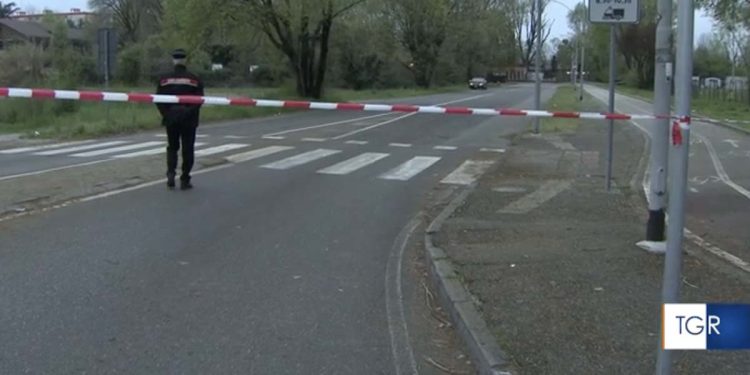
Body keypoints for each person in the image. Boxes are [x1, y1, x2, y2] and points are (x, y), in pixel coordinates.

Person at [156, 48, 205, 190]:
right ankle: (185, 178)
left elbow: (158, 99)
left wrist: (166, 114)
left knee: (172, 147)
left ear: (173, 60)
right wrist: (188, 113)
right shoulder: (194, 79)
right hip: (189, 120)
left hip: (171, 118)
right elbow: (199, 100)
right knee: (188, 149)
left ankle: (171, 174)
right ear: (185, 60)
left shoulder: (164, 79)